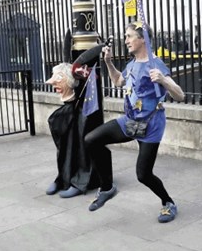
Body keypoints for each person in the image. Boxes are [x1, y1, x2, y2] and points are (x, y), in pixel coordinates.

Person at [84, 22, 185, 223]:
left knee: (143, 175)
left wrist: (163, 81)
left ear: (142, 39)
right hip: (129, 121)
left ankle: (168, 202)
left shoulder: (157, 65)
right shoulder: (131, 64)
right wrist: (109, 63)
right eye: (126, 36)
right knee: (91, 139)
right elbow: (118, 82)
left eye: (130, 36)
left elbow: (180, 95)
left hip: (151, 126)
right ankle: (107, 188)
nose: (126, 40)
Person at [45, 62, 98, 198]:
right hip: (69, 109)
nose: (52, 84)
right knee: (64, 148)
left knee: (79, 145)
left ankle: (80, 180)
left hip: (78, 111)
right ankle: (62, 178)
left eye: (58, 80)